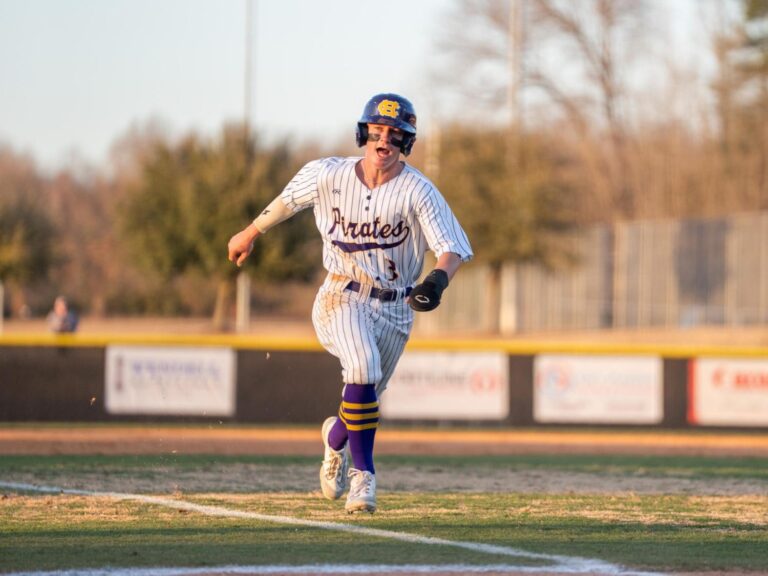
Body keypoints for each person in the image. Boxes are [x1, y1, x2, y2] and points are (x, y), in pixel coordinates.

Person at [227, 93, 473, 513]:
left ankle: (334, 438)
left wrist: (436, 279)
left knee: (365, 395)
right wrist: (250, 232)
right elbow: (287, 202)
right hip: (342, 293)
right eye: (377, 131)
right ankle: (365, 477)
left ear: (406, 141)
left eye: (396, 134)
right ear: (364, 133)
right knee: (361, 368)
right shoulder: (328, 174)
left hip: (396, 307)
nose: (385, 140)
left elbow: (452, 248)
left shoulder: (418, 189)